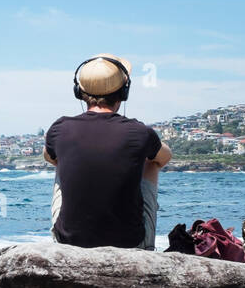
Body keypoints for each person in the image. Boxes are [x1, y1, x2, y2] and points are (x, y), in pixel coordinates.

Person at [44, 54, 172, 249]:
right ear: (124, 92)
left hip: (68, 242)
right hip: (130, 243)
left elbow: (48, 157)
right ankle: (146, 248)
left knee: (60, 160)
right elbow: (164, 158)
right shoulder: (140, 132)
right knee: (151, 162)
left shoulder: (59, 128)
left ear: (79, 91)